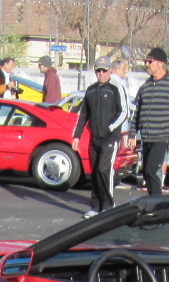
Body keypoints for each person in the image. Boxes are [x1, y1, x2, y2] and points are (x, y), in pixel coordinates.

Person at [72, 57, 128, 216]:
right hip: (94, 138)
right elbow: (84, 114)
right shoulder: (90, 90)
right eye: (98, 70)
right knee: (95, 171)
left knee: (105, 170)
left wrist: (109, 128)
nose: (101, 73)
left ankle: (108, 206)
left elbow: (124, 112)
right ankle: (96, 206)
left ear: (110, 70)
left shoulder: (116, 88)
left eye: (104, 70)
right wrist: (77, 135)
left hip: (110, 138)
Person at [133, 47, 169, 197]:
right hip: (147, 136)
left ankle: (157, 202)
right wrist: (132, 133)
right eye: (146, 61)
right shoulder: (146, 86)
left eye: (150, 61)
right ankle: (153, 200)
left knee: (151, 169)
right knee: (146, 172)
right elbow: (137, 112)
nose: (146, 64)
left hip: (162, 137)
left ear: (161, 63)